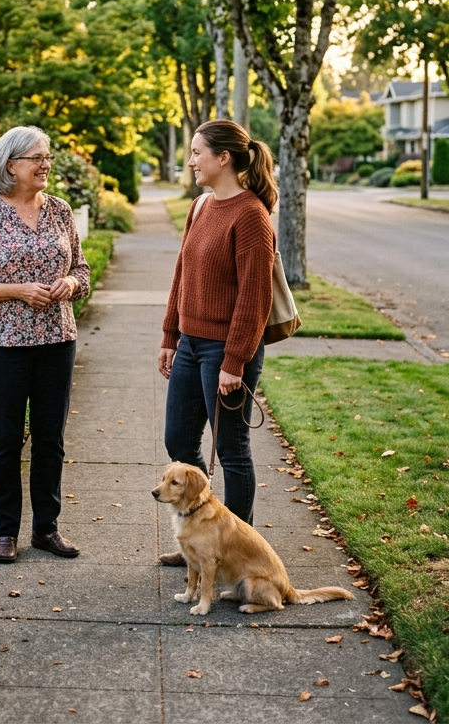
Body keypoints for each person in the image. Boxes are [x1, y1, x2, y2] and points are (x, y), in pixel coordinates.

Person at [0, 125, 91, 563]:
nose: (45, 164)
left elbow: (84, 272)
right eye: (36, 157)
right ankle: (5, 532)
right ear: (11, 165)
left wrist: (70, 282)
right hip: (3, 345)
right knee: (6, 438)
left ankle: (46, 529)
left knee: (51, 439)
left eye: (47, 156)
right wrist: (17, 290)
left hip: (57, 339)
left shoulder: (61, 211)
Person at [158, 119, 276, 565]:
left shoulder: (251, 215)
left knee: (232, 451)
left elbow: (255, 295)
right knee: (179, 442)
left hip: (226, 351)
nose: (190, 161)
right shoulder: (200, 207)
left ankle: (231, 551)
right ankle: (198, 540)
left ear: (222, 158)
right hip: (190, 345)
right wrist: (171, 335)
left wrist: (235, 360)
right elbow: (182, 276)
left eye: (196, 153)